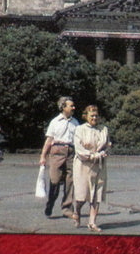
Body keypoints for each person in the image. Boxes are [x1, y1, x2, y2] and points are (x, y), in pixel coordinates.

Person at [39, 96, 79, 220]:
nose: (73, 108)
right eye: (71, 106)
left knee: (70, 182)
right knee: (55, 181)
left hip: (71, 153)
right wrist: (43, 156)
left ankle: (66, 208)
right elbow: (49, 140)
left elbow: (78, 141)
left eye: (73, 105)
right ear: (63, 107)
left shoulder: (75, 122)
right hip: (57, 151)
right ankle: (50, 203)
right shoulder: (55, 122)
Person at [73, 105, 109, 233]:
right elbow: (79, 150)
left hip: (99, 166)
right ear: (86, 116)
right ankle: (77, 211)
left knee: (96, 196)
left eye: (96, 115)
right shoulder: (79, 129)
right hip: (83, 165)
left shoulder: (104, 129)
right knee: (82, 197)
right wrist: (92, 155)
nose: (94, 118)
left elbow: (107, 145)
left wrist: (104, 152)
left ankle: (92, 222)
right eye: (91, 115)